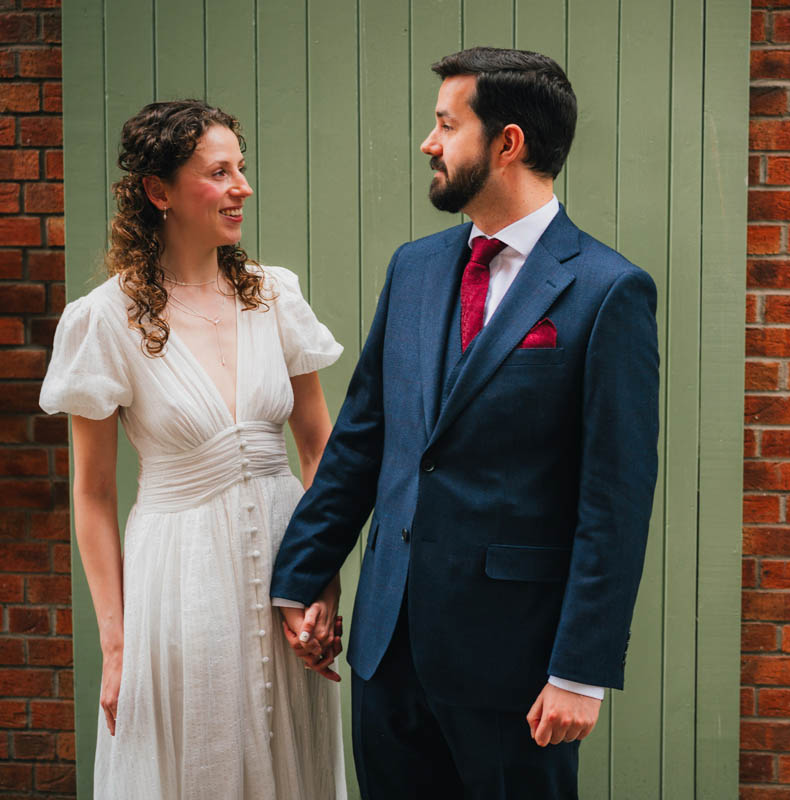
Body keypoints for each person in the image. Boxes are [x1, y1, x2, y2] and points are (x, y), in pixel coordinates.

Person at [270, 47, 660, 798]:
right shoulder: (413, 268)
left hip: (514, 664)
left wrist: (581, 668)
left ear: (506, 143)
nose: (429, 142)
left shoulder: (610, 291)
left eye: (447, 125)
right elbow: (362, 439)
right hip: (387, 648)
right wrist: (304, 574)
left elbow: (615, 498)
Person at [40, 100, 348, 799]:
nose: (242, 186)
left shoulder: (276, 297)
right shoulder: (103, 321)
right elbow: (92, 495)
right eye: (219, 172)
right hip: (179, 578)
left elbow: (318, 447)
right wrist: (117, 647)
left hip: (286, 565)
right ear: (160, 192)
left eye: (242, 168)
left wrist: (319, 582)